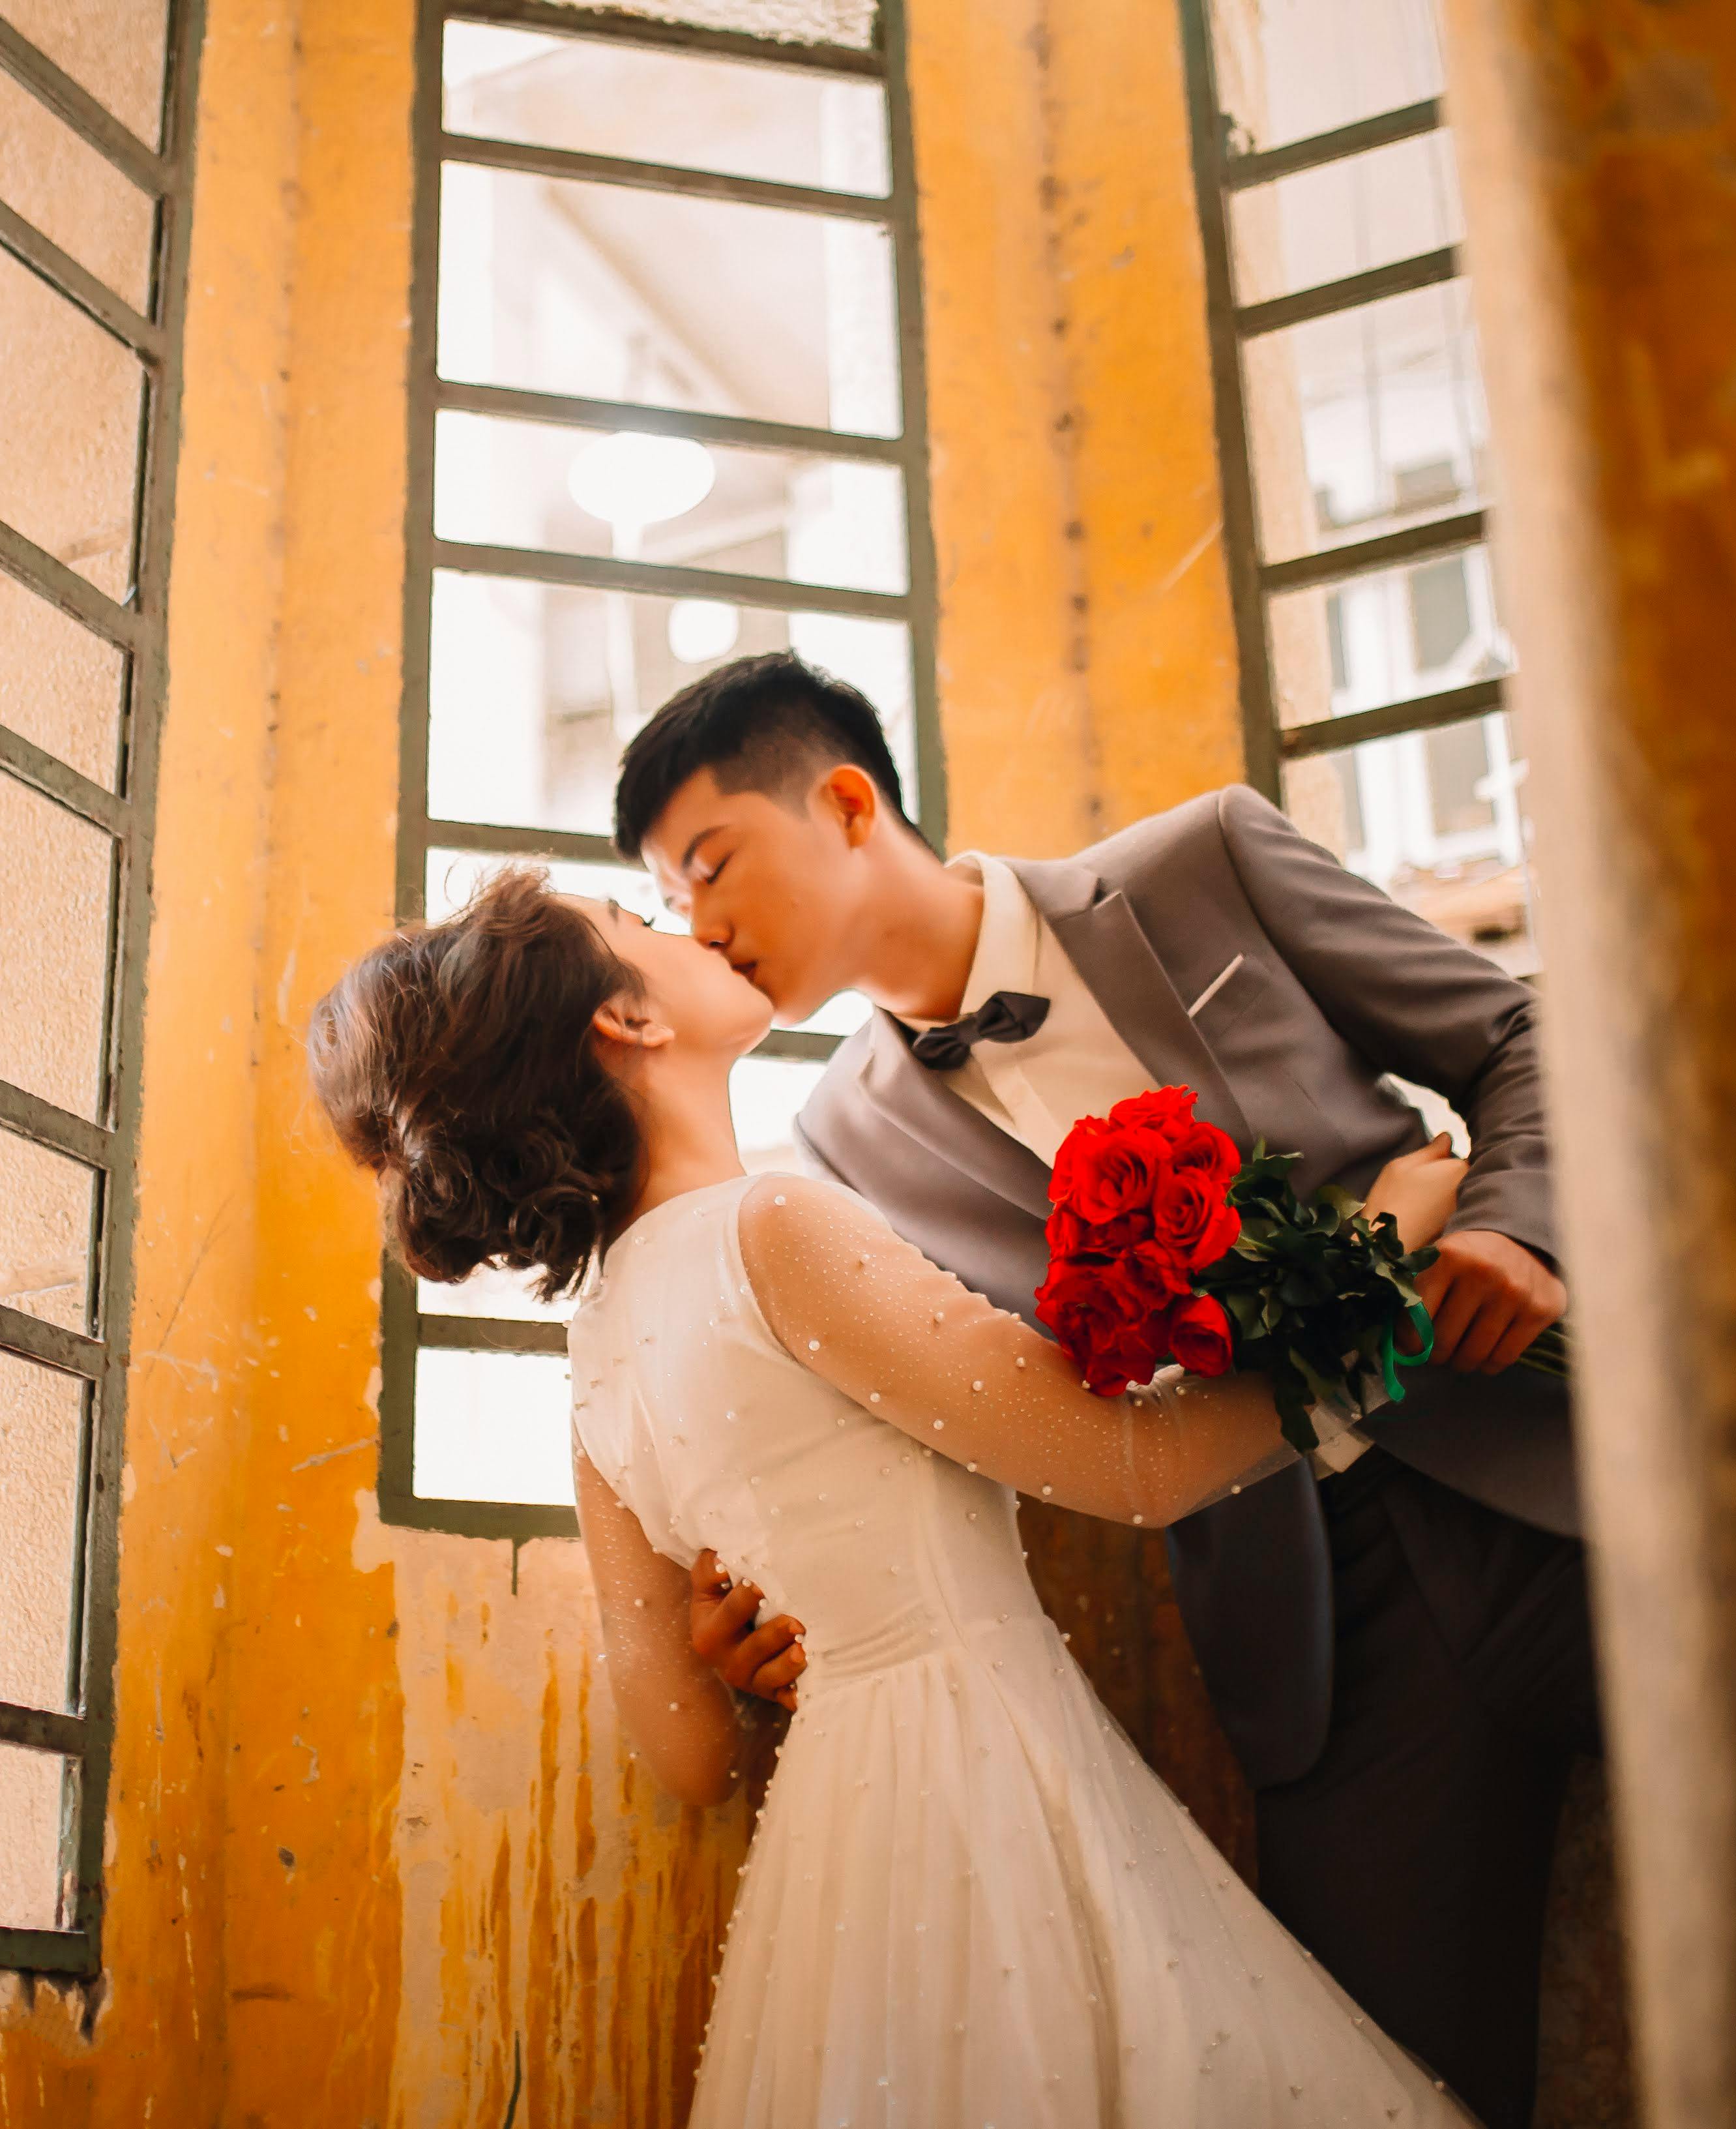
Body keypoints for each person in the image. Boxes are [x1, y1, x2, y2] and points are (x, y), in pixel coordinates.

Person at [309, 867, 1479, 2127]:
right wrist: (1380, 1262)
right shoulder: (774, 1227)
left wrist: (725, 1654)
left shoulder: (594, 1364)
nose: (688, 923)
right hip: (978, 1783)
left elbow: (687, 1751)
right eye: (641, 923)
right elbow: (1137, 1469)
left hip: (834, 1852)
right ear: (627, 1020)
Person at [611, 652, 1599, 2129]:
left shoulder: (1203, 862)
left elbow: (1520, 1038)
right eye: (670, 903)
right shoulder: (830, 1161)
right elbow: (942, 1424)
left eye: (707, 866)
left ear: (843, 799)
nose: (700, 926)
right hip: (1322, 1630)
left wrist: (1517, 1224)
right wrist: (762, 1594)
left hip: (1551, 1466)